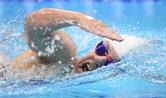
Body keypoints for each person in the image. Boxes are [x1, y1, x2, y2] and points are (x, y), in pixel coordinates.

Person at [10, 8, 142, 74]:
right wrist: (77, 18)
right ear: (96, 44)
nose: (100, 60)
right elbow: (31, 24)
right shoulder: (65, 55)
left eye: (110, 62)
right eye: (102, 50)